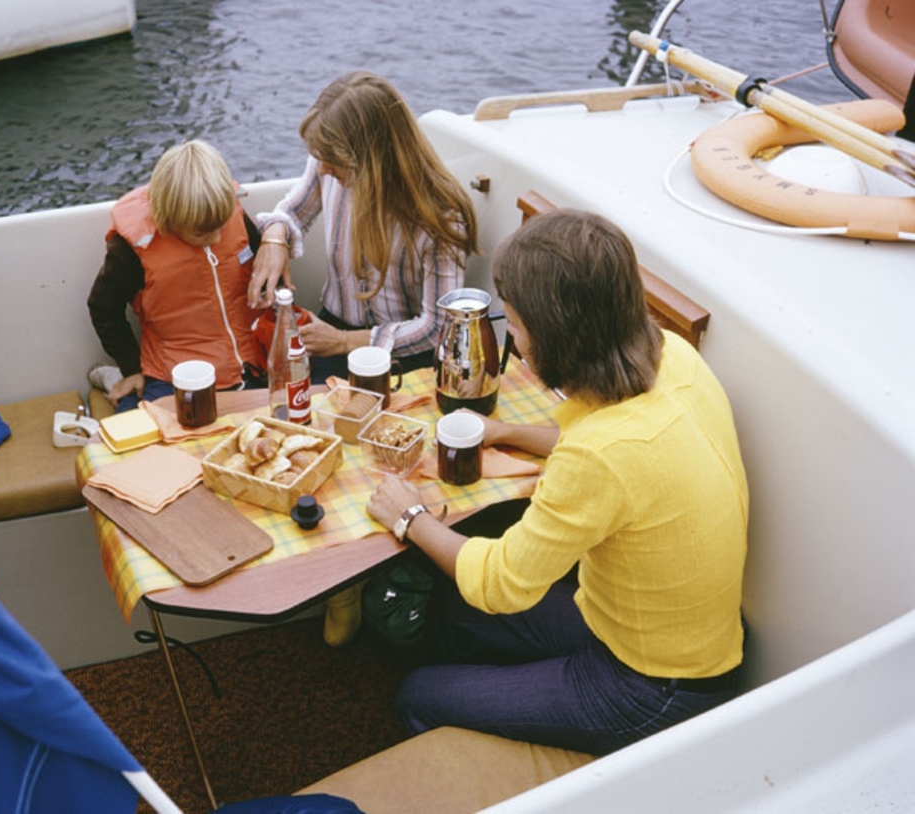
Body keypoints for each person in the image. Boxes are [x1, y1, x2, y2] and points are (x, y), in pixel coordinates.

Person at [365, 209, 749, 756]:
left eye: (518, 326)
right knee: (453, 608)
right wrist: (507, 432)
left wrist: (411, 517)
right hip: (646, 630)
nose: (515, 341)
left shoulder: (598, 457)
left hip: (655, 686)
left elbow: (500, 582)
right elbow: (615, 440)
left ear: (555, 337)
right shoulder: (676, 358)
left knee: (418, 694)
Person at [250, 71, 478, 383]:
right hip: (331, 327)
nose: (322, 169)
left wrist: (344, 342)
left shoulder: (442, 216)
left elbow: (437, 326)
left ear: (374, 159)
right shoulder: (327, 163)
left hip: (403, 355)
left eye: (332, 160)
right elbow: (291, 212)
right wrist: (274, 237)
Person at [88, 139, 265, 411]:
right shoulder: (130, 250)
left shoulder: (231, 213)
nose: (216, 238)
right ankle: (121, 381)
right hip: (172, 373)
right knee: (138, 429)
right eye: (201, 233)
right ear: (169, 219)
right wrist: (131, 368)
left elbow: (266, 264)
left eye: (221, 226)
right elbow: (103, 308)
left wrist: (276, 246)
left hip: (249, 362)